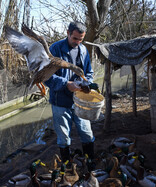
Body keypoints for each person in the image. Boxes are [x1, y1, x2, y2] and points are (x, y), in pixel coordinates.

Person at [44, 21, 95, 163]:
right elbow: (46, 77)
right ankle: (66, 165)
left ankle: (90, 161)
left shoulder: (83, 50)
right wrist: (66, 84)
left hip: (79, 101)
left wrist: (86, 83)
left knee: (86, 132)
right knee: (64, 137)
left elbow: (89, 72)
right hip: (60, 101)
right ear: (68, 33)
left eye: (81, 39)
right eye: (75, 38)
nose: (78, 42)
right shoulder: (55, 49)